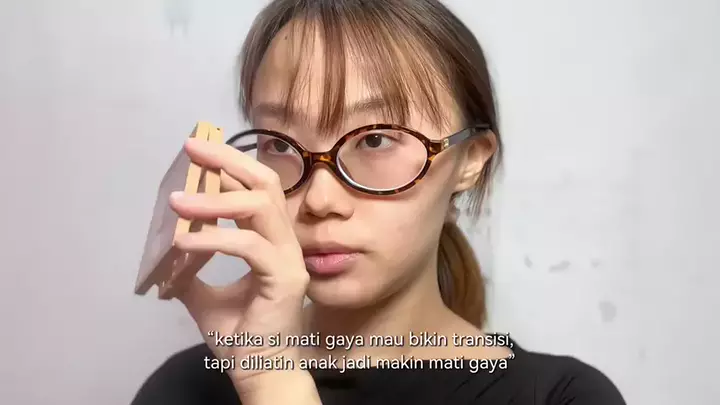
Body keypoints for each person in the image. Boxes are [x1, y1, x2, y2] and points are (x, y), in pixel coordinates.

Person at [131, 0, 626, 404]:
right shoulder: (184, 390)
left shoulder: (560, 397)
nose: (320, 199)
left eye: (374, 140)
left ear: (471, 159)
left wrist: (274, 384)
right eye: (279, 144)